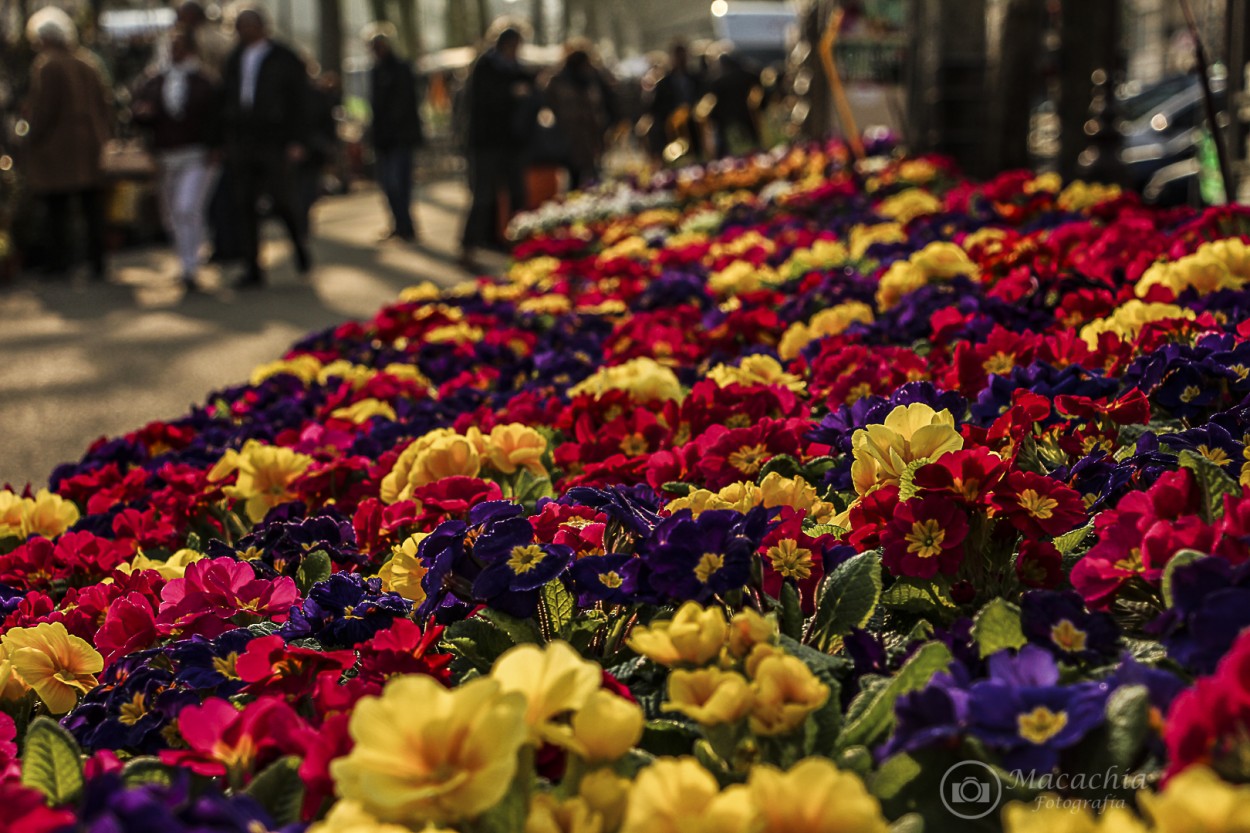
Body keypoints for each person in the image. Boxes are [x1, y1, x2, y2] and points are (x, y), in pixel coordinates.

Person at [220, 6, 310, 288]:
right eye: (239, 26)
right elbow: (226, 97)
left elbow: (301, 100)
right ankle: (252, 267)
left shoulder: (284, 57)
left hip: (275, 140)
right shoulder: (234, 59)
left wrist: (297, 140)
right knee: (245, 203)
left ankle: (299, 247)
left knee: (281, 199)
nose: (244, 31)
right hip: (244, 141)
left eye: (248, 25)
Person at [22, 6, 113, 280]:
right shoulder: (88, 62)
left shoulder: (47, 65)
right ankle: (98, 262)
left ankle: (58, 264)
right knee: (90, 207)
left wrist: (31, 136)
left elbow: (44, 110)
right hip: (89, 146)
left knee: (56, 209)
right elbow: (105, 104)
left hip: (57, 149)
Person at [132, 29, 221, 290]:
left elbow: (216, 117)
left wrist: (215, 147)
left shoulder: (204, 81)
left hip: (197, 155)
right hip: (165, 157)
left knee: (187, 208)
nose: (175, 52)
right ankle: (186, 258)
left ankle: (191, 265)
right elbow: (138, 115)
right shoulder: (154, 80)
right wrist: (143, 114)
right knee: (171, 214)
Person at [459, 25, 535, 269]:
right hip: (486, 144)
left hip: (511, 143)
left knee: (517, 194)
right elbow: (483, 102)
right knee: (482, 196)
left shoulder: (516, 69)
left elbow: (531, 94)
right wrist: (512, 93)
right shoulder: (485, 66)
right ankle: (467, 249)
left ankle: (514, 243)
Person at [366, 24, 423, 243]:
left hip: (400, 137)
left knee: (399, 183)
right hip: (383, 139)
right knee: (388, 185)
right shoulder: (375, 71)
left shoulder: (401, 68)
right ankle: (400, 223)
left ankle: (406, 225)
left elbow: (405, 104)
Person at [545, 43, 614, 191]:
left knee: (590, 174)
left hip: (588, 136)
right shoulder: (558, 82)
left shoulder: (590, 81)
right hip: (568, 136)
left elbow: (599, 107)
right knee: (572, 175)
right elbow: (551, 108)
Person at [707, 48, 763, 158]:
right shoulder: (746, 74)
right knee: (753, 143)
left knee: (728, 144)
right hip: (745, 114)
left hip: (728, 117)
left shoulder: (718, 81)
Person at [175, 1, 232, 81]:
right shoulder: (179, 34)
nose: (181, 19)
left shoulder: (211, 36)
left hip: (211, 81)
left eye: (184, 15)